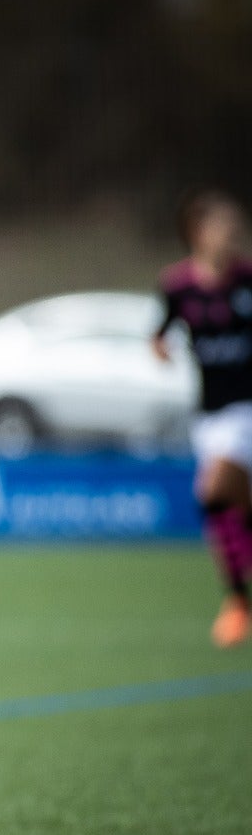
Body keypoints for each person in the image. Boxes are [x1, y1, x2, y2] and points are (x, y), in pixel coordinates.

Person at [154, 189, 252, 649]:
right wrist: (161, 351)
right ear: (197, 233)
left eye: (235, 227)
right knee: (227, 505)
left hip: (247, 409)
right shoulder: (177, 286)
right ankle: (237, 602)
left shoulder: (247, 280)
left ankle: (237, 600)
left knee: (212, 490)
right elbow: (159, 331)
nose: (231, 235)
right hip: (209, 414)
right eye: (222, 227)